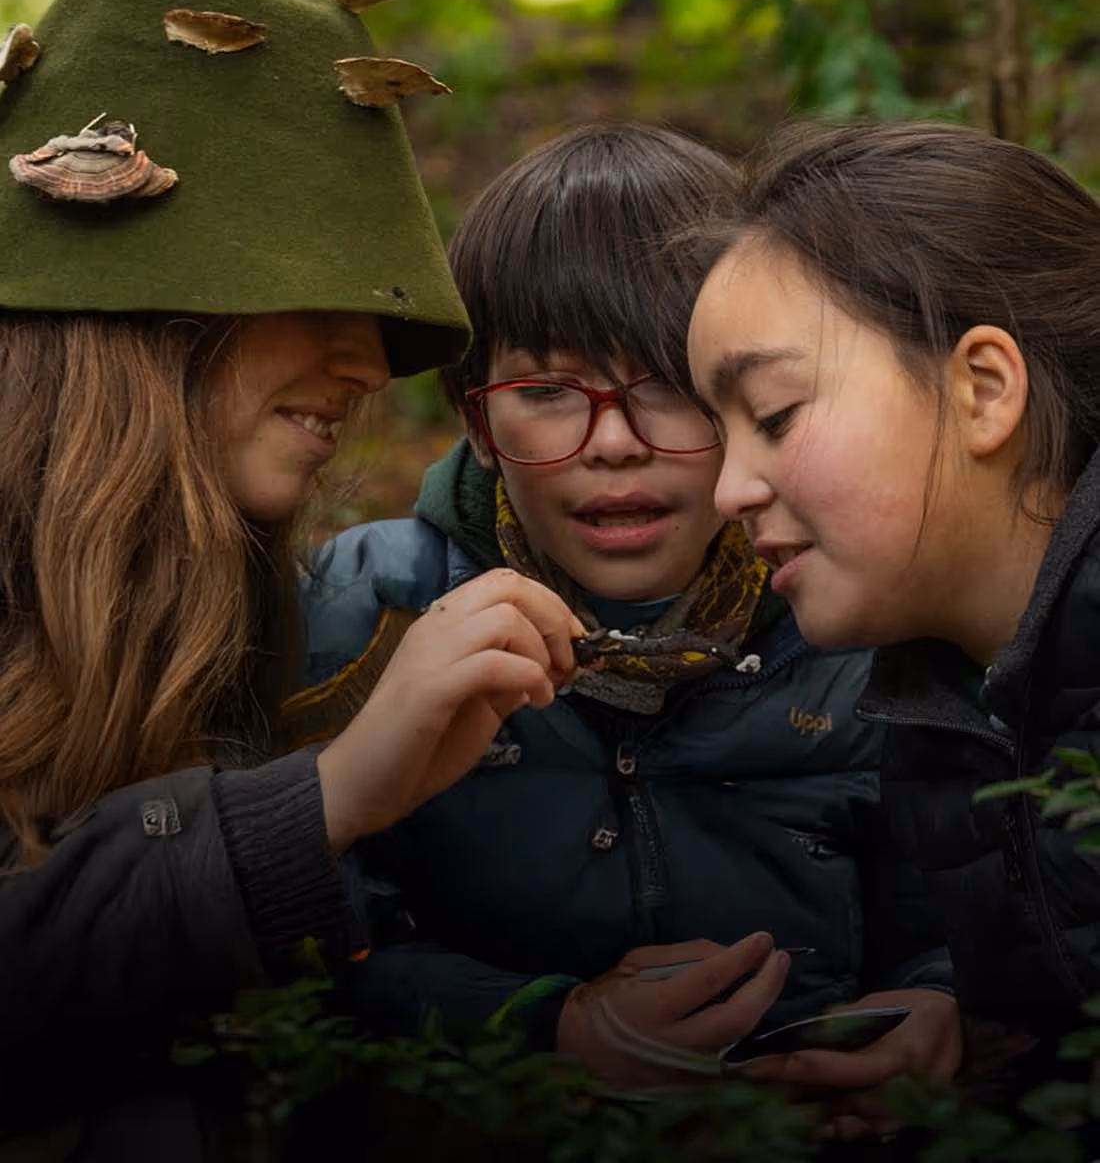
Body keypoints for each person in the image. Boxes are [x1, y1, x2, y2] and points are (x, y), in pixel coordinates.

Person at [0, 0, 582, 1159]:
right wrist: (320, 802)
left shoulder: (229, 577)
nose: (370, 362)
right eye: (313, 293)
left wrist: (558, 1045)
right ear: (141, 305)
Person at [302, 122, 958, 1096]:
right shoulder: (367, 613)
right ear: (478, 421)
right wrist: (544, 1030)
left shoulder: (859, 615)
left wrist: (940, 1008)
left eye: (665, 386)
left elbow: (966, 912)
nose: (612, 445)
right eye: (549, 390)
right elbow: (302, 953)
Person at [685, 117, 1100, 1084]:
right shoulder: (940, 696)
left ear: (984, 390)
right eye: (720, 432)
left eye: (775, 416)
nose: (728, 492)